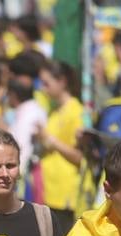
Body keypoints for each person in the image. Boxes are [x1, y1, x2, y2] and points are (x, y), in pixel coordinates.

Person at [35, 60, 86, 226]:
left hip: (65, 192)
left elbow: (80, 156)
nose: (43, 88)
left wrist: (50, 140)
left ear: (62, 81)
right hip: (50, 189)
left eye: (47, 83)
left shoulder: (76, 111)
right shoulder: (55, 111)